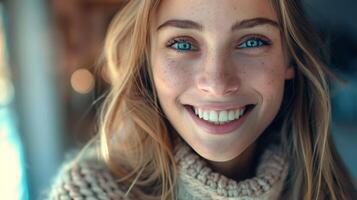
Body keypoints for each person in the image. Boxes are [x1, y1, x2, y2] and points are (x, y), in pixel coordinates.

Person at [49, 0, 357, 199]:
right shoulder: (88, 192)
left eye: (252, 41)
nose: (217, 83)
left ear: (289, 58)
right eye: (182, 43)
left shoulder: (331, 188)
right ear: (148, 61)